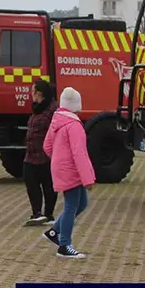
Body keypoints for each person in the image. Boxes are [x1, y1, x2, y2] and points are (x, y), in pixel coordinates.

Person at [41, 86, 93, 259]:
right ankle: (64, 245)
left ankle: (55, 232)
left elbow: (47, 146)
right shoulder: (74, 125)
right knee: (72, 206)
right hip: (71, 171)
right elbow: (80, 154)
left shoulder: (57, 120)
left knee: (81, 203)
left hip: (61, 168)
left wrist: (57, 159)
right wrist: (88, 179)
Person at [22, 80, 58, 226]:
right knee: (31, 183)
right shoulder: (36, 109)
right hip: (31, 154)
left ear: (40, 93)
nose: (31, 95)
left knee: (48, 186)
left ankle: (49, 215)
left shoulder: (53, 110)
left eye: (33, 92)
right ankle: (36, 212)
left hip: (46, 156)